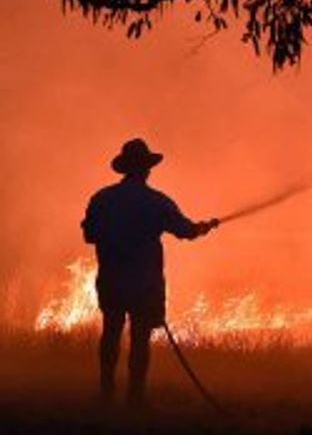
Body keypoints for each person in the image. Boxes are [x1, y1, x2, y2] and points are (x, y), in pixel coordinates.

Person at [81, 138, 218, 406]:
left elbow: (89, 235)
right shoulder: (156, 202)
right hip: (144, 282)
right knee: (140, 338)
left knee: (110, 332)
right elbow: (185, 231)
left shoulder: (102, 199)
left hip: (111, 278)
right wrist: (204, 227)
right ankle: (136, 395)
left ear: (124, 169)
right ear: (146, 169)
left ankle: (106, 391)